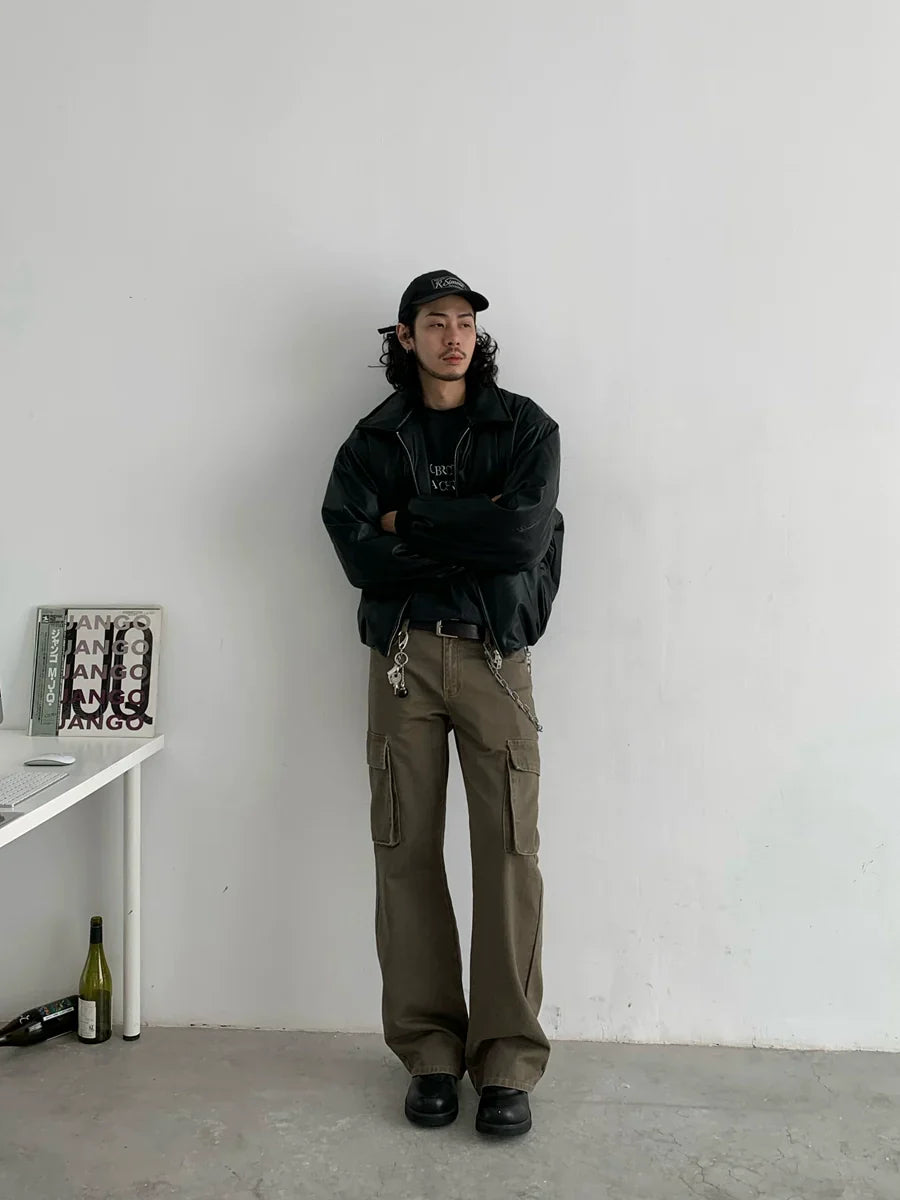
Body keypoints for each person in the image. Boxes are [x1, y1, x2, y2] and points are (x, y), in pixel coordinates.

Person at [321, 270, 564, 1137]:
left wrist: (408, 520)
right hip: (402, 662)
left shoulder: (526, 428)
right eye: (435, 322)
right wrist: (468, 525)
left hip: (496, 658)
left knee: (508, 854)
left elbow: (522, 536)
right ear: (405, 336)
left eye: (464, 321)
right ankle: (428, 1053)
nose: (453, 335)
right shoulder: (373, 440)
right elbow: (356, 551)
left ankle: (507, 1064)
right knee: (405, 852)